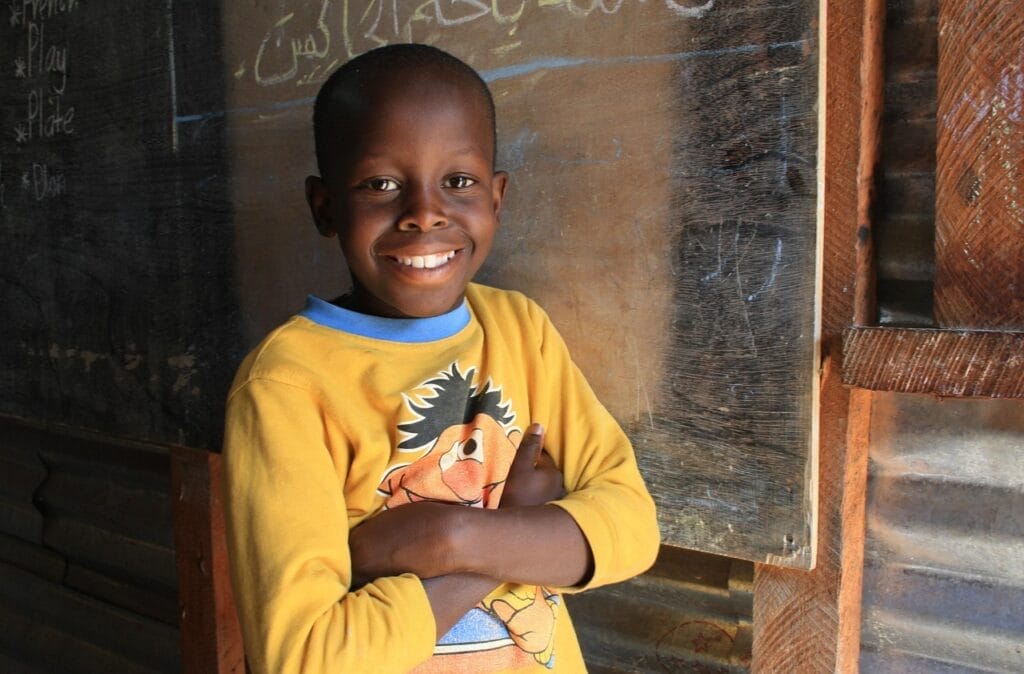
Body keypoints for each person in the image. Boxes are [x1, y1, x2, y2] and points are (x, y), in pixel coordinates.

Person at [222, 43, 660, 674]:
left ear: (497, 195)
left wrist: (445, 537)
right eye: (381, 185)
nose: (424, 213)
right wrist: (515, 532)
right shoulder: (288, 385)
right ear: (325, 207)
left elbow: (633, 527)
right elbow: (305, 659)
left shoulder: (519, 331)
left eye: (458, 182)